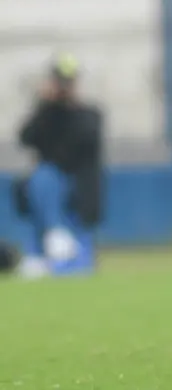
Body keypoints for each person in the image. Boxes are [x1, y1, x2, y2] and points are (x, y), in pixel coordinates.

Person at [14, 54, 104, 278]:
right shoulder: (47, 114)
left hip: (77, 187)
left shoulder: (88, 115)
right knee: (43, 177)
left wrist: (66, 108)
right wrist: (45, 106)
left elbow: (74, 150)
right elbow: (26, 138)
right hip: (47, 188)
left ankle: (55, 233)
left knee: (45, 175)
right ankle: (53, 235)